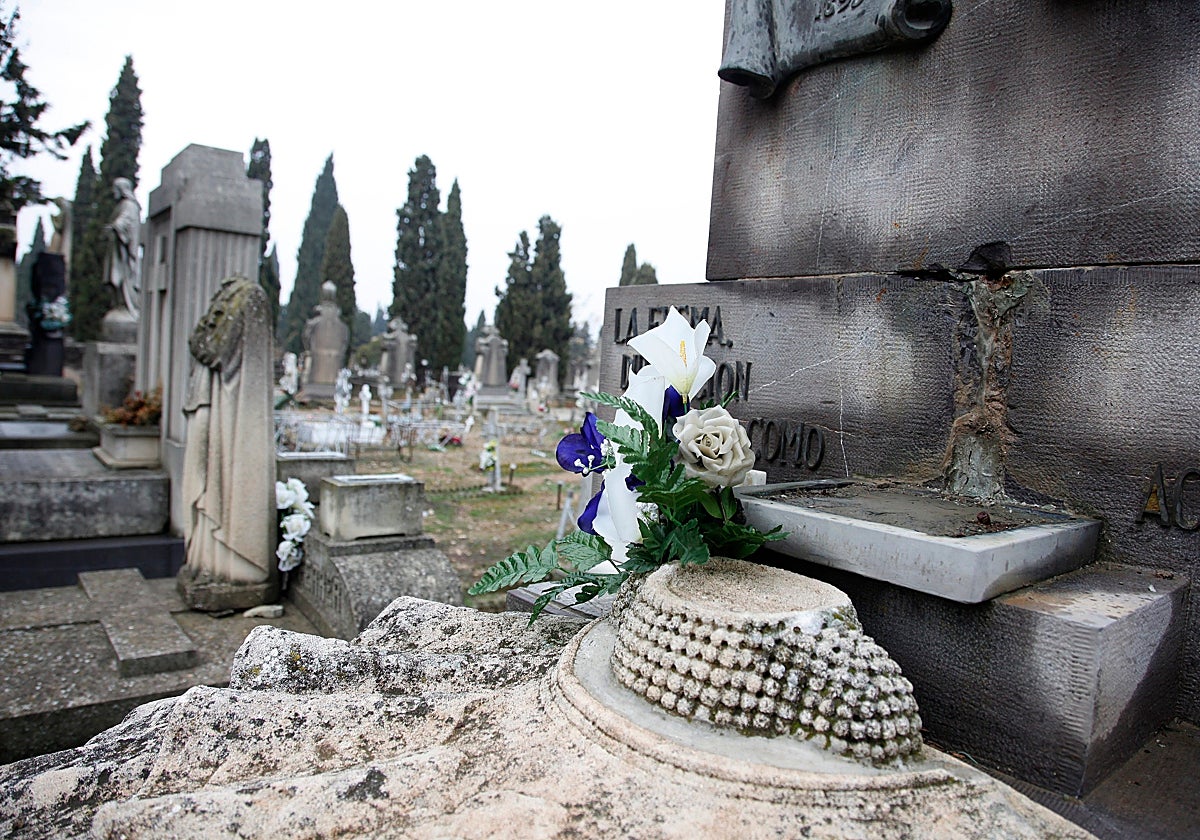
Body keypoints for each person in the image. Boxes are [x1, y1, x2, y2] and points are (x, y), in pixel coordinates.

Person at [107, 177, 141, 314]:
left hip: (124, 252)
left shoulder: (130, 205)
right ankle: (119, 305)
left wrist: (116, 226)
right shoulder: (121, 205)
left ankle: (127, 307)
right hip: (116, 248)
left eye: (116, 188)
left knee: (124, 278)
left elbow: (128, 222)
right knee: (115, 280)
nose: (113, 191)